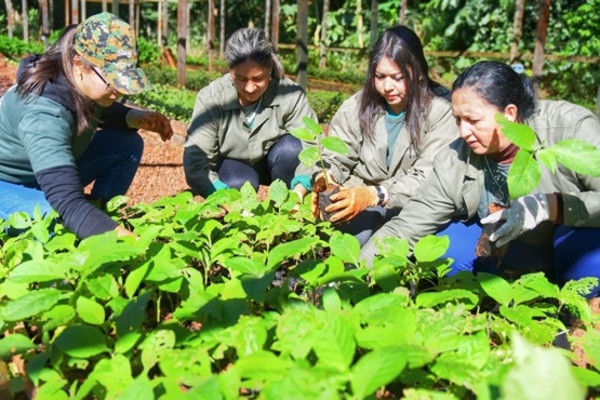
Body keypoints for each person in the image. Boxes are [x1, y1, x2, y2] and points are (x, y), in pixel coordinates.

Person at [360, 61, 600, 298]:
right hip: (512, 248)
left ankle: (581, 309)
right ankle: (505, 290)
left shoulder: (569, 129)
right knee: (447, 247)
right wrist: (353, 273)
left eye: (473, 121)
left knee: (587, 253)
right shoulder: (456, 157)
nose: (463, 132)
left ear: (510, 114)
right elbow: (409, 224)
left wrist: (551, 206)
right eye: (458, 120)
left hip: (570, 241)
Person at [0, 12, 174, 239]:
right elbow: (67, 201)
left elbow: (100, 108)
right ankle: (94, 227)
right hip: (10, 183)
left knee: (126, 144)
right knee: (55, 220)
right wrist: (125, 241)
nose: (118, 91)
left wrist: (135, 118)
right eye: (113, 82)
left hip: (46, 173)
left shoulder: (74, 79)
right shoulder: (43, 113)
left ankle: (99, 212)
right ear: (79, 64)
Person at [292, 25, 457, 246]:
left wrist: (374, 194)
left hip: (411, 203)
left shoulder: (442, 109)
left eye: (398, 78)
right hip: (356, 194)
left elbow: (429, 175)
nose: (387, 86)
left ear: (417, 72)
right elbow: (336, 155)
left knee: (385, 247)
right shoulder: (357, 106)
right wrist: (325, 178)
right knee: (339, 240)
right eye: (380, 76)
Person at [183, 27, 317, 197]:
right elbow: (196, 161)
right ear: (230, 70)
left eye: (258, 79)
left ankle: (285, 205)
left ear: (270, 69)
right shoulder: (211, 98)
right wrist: (224, 198)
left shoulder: (290, 95)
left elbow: (313, 146)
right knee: (239, 183)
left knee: (291, 149)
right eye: (241, 79)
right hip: (232, 167)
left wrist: (299, 192)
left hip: (275, 164)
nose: (250, 88)